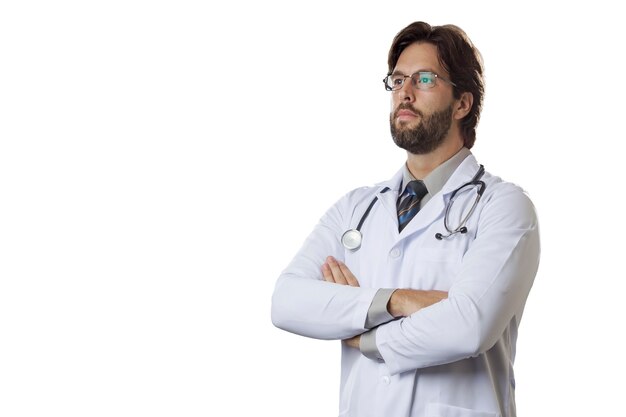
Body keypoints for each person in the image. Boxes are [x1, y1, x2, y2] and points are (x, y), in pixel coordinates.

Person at [271, 21, 540, 417]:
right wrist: (394, 301)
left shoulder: (505, 207)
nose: (405, 94)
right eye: (397, 82)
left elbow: (468, 326)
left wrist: (361, 334)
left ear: (462, 103)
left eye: (424, 79)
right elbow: (286, 302)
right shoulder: (356, 208)